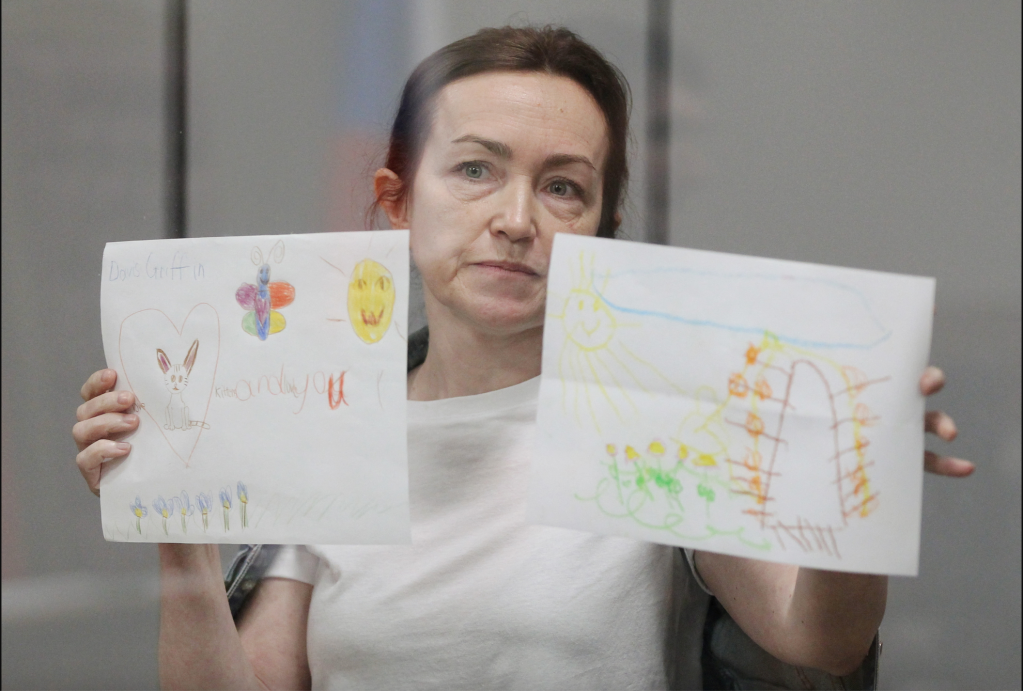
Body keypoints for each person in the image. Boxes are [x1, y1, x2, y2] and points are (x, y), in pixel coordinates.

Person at [72, 26, 973, 690]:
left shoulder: (656, 416)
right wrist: (177, 524)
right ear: (395, 200)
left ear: (602, 228)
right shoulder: (329, 418)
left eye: (562, 187)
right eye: (474, 169)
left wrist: (855, 493)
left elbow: (819, 642)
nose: (515, 218)